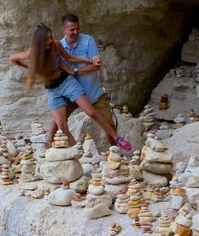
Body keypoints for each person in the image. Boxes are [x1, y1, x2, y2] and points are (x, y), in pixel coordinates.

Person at [10, 24, 130, 150]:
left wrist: (89, 60)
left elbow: (70, 58)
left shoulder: (55, 45)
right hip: (52, 90)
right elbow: (13, 58)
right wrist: (29, 68)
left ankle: (117, 137)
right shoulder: (32, 53)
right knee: (62, 127)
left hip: (67, 82)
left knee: (91, 112)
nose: (50, 41)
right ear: (39, 42)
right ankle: (81, 154)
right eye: (47, 39)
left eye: (51, 37)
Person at [58, 13, 122, 147]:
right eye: (72, 29)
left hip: (93, 93)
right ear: (63, 30)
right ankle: (75, 153)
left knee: (109, 125)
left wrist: (75, 71)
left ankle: (115, 155)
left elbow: (96, 66)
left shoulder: (88, 40)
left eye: (77, 29)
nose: (76, 32)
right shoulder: (58, 47)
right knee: (59, 124)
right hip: (71, 96)